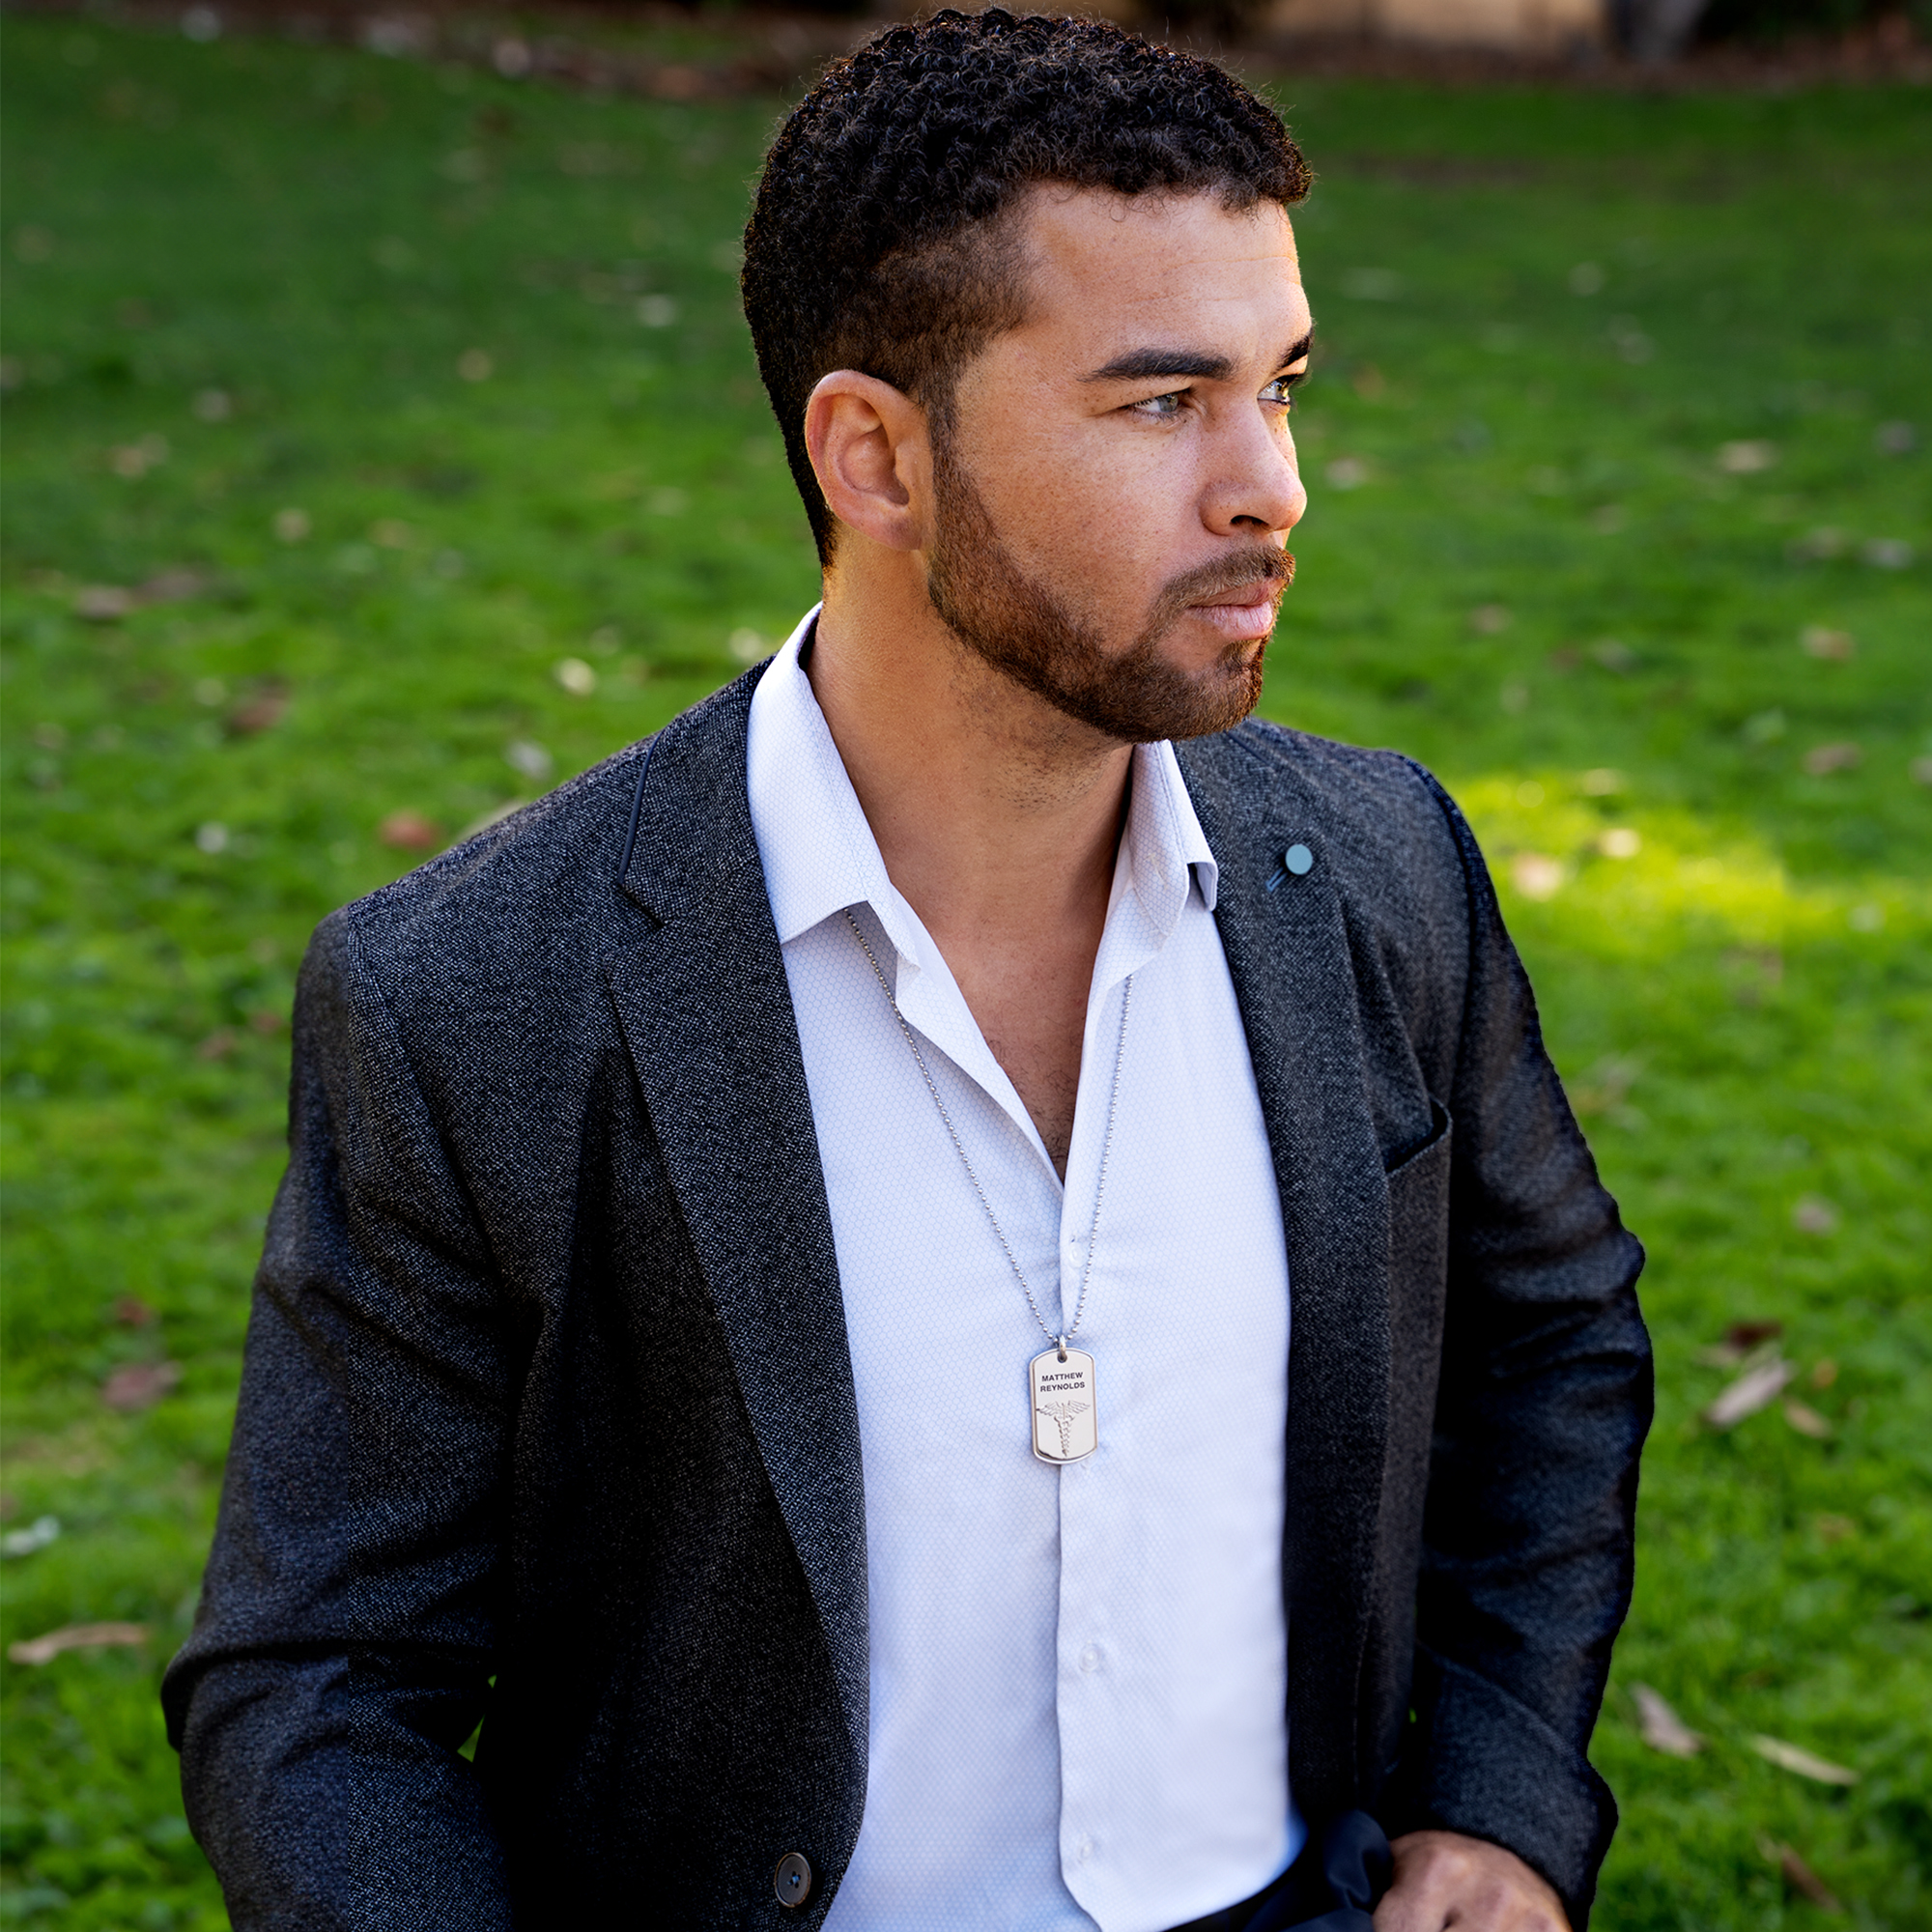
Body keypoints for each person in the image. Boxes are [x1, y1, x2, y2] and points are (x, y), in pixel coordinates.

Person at [163, 13, 1652, 1931]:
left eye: (1282, 386)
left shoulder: (1376, 873)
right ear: (873, 451)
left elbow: (1547, 1340)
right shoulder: (477, 994)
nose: (1269, 488)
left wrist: (1494, 1797)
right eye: (1157, 402)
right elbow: (318, 1682)